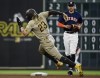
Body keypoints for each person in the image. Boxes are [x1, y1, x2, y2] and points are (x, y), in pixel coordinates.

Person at [20, 8, 83, 76]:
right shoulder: (41, 14)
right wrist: (61, 13)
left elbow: (25, 34)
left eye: (28, 16)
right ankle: (57, 62)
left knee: (60, 57)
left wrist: (20, 26)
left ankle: (76, 65)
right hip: (50, 37)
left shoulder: (31, 23)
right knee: (41, 50)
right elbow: (51, 12)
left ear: (31, 16)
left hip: (46, 42)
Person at [57, 1, 83, 76]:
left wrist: (78, 26)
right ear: (68, 6)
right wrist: (65, 26)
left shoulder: (78, 14)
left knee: (72, 52)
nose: (71, 7)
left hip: (74, 34)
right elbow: (58, 23)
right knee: (67, 53)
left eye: (72, 6)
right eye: (69, 6)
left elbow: (81, 22)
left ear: (74, 6)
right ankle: (71, 66)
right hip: (66, 34)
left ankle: (71, 69)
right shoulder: (65, 14)